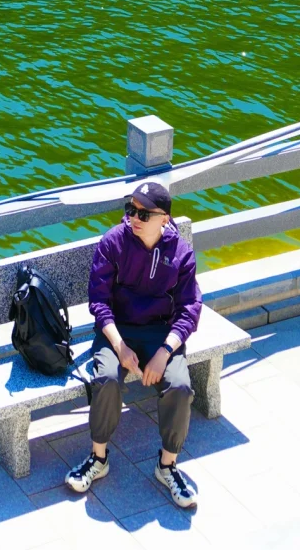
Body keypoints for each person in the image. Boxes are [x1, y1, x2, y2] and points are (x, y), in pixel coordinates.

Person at [64, 179, 201, 509]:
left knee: (180, 385)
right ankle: (98, 458)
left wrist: (164, 352)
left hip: (159, 334)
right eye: (130, 210)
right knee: (107, 379)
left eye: (143, 213)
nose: (133, 218)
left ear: (164, 219)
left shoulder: (180, 252)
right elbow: (98, 302)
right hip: (116, 331)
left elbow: (189, 309)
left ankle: (167, 465)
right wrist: (121, 347)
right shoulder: (113, 242)